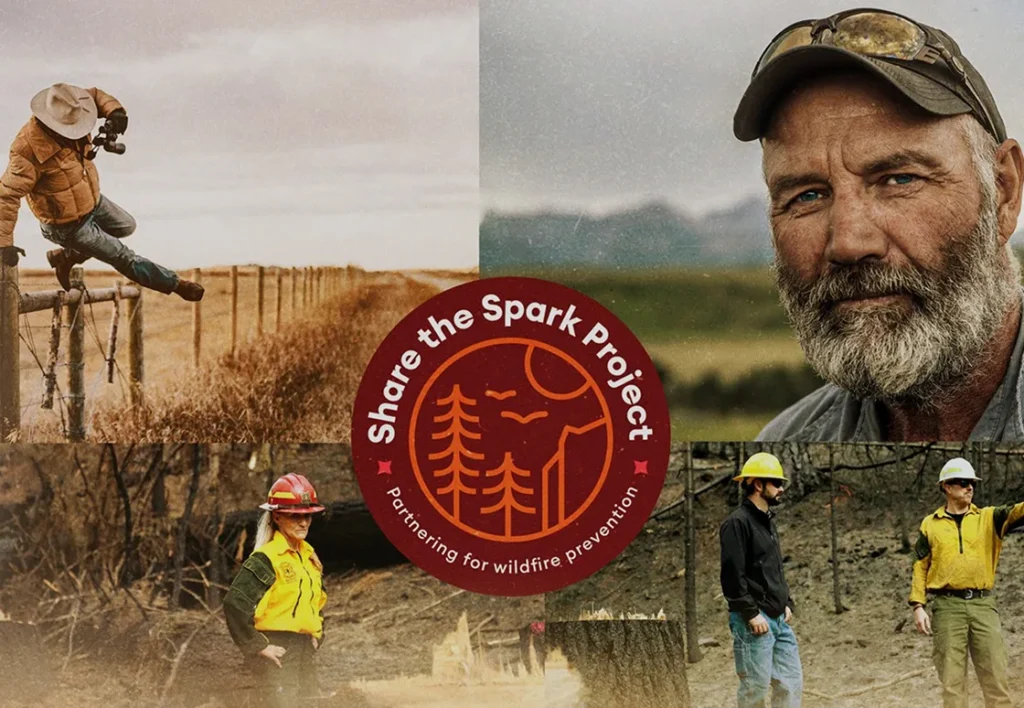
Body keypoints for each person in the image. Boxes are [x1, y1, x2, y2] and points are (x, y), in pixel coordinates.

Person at [733, 10, 1024, 442]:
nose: (849, 243)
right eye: (807, 196)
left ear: (1003, 192)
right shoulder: (785, 443)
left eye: (899, 179)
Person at [0, 83, 203, 300]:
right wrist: (4, 244)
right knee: (123, 256)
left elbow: (95, 95)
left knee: (127, 226)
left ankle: (66, 257)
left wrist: (115, 112)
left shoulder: (72, 104)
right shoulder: (26, 150)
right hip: (67, 226)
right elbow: (7, 196)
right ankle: (176, 285)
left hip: (93, 203)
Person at [909, 457, 1024, 707]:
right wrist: (918, 605)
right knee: (952, 682)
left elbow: (1020, 511)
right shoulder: (930, 524)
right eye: (962, 483)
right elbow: (920, 565)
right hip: (947, 607)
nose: (969, 487)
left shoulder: (989, 518)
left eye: (971, 482)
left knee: (996, 675)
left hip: (983, 606)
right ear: (946, 487)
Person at [224, 474, 327, 707]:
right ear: (277, 517)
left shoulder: (309, 558)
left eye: (307, 515)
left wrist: (317, 635)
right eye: (295, 515)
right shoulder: (266, 558)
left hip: (303, 651)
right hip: (277, 650)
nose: (303, 522)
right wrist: (258, 645)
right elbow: (235, 603)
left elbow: (317, 602)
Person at [719, 452, 802, 707]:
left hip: (778, 619)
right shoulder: (736, 523)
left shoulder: (767, 522)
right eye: (776, 483)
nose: (782, 489)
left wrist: (786, 602)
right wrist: (751, 613)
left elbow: (773, 569)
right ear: (757, 484)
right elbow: (732, 575)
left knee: (790, 684)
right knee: (754, 689)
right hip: (753, 621)